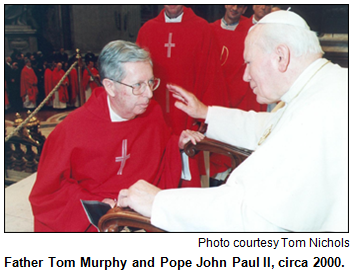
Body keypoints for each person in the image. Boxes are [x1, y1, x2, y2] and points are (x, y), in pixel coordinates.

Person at [118, 11, 348, 232]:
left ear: (281, 56)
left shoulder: (318, 112)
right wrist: (206, 112)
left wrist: (159, 202)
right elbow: (267, 127)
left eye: (249, 63)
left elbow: (253, 218)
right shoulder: (327, 87)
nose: (246, 75)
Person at [29, 40, 204, 232]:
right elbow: (50, 192)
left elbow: (162, 147)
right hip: (99, 219)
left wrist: (177, 144)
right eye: (138, 85)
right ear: (110, 87)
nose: (149, 94)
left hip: (144, 209)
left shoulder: (152, 112)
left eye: (151, 82)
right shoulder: (71, 130)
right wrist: (97, 204)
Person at [136, 5, 229, 187]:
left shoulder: (202, 28)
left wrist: (205, 117)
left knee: (190, 183)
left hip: (188, 119)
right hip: (154, 119)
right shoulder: (147, 30)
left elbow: (212, 76)